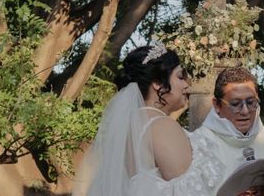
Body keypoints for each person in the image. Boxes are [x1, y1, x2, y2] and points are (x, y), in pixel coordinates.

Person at [73, 42, 222, 195]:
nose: (186, 85)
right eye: (180, 77)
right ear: (158, 83)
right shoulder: (161, 126)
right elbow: (191, 191)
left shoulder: (126, 127)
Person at [191, 67, 264, 195]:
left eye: (251, 102)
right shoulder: (198, 145)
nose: (245, 111)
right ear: (216, 105)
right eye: (235, 104)